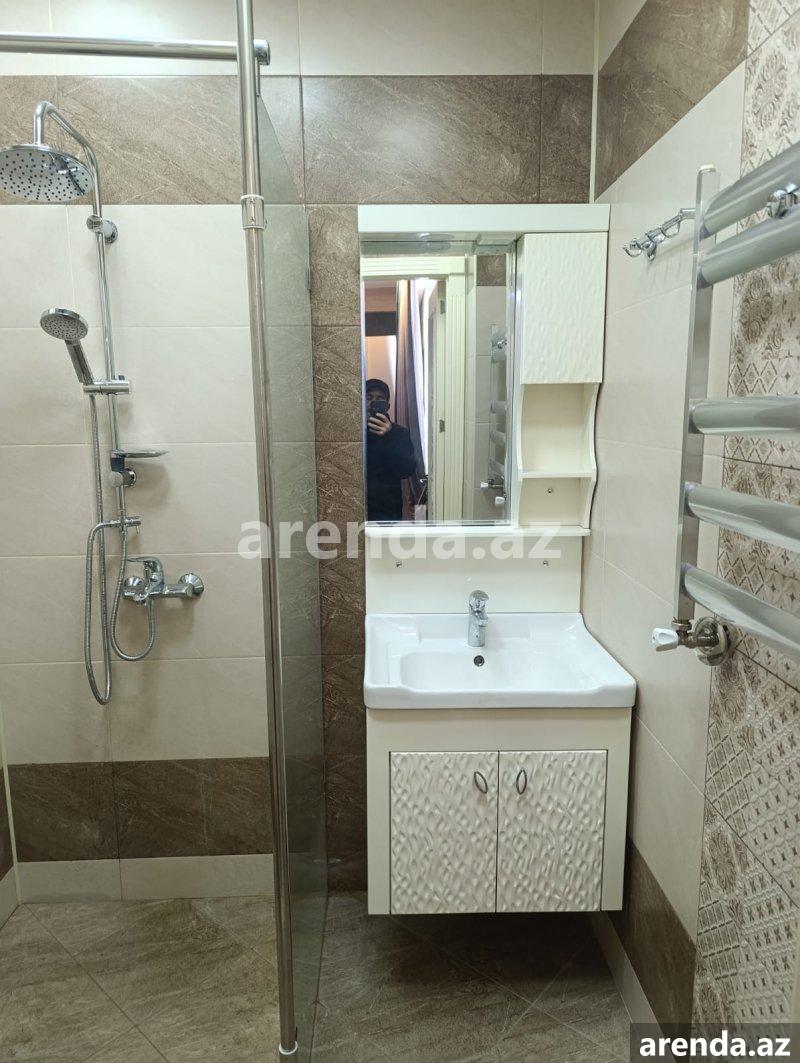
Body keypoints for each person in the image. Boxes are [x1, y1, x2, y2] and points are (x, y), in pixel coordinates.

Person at [365, 378, 417, 521]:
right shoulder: (353, 434)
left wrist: (389, 436)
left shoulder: (399, 433)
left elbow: (406, 470)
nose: (372, 403)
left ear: (387, 406)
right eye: (368, 398)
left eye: (379, 399)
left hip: (387, 511)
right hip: (356, 506)